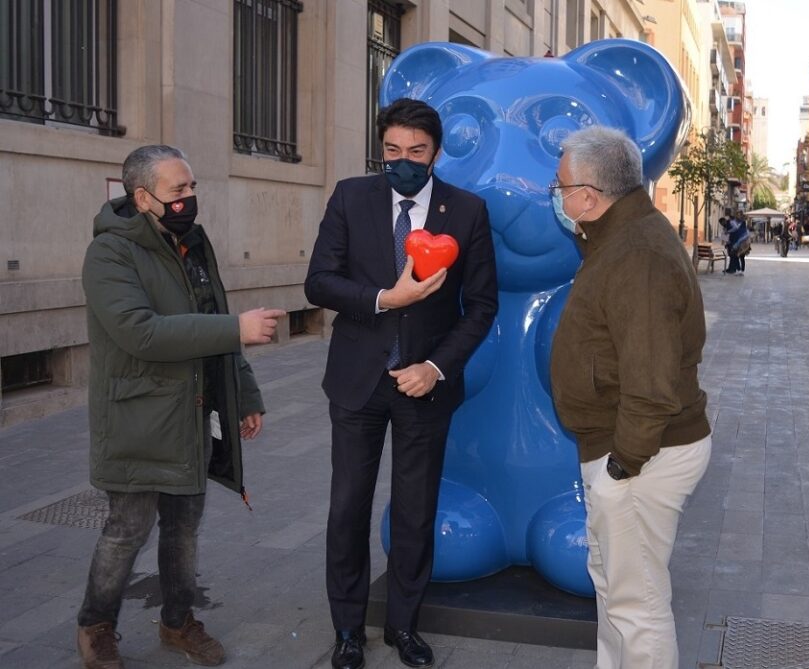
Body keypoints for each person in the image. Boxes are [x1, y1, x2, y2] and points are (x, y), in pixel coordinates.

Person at [304, 98, 498, 669]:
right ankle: (346, 630)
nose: (403, 161)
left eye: (416, 151)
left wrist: (435, 368)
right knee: (347, 508)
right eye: (393, 151)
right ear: (381, 149)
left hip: (424, 384)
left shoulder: (466, 211)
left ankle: (404, 627)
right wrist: (387, 298)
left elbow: (481, 307)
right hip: (357, 381)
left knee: (416, 509)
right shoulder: (349, 197)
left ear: (436, 152)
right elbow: (319, 282)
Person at [78, 145, 284, 669]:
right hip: (137, 420)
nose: (190, 199)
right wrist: (236, 329)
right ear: (143, 197)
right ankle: (96, 626)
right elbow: (139, 333)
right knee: (127, 531)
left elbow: (214, 320)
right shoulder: (110, 254)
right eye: (178, 191)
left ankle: (178, 622)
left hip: (191, 416)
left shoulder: (193, 243)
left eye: (192, 187)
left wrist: (245, 395)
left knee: (184, 528)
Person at [548, 126, 712, 669]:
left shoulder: (637, 254)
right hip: (628, 450)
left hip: (640, 455)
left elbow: (651, 383)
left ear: (589, 197)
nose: (557, 195)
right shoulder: (620, 238)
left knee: (636, 604)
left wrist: (620, 470)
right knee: (618, 594)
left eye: (561, 186)